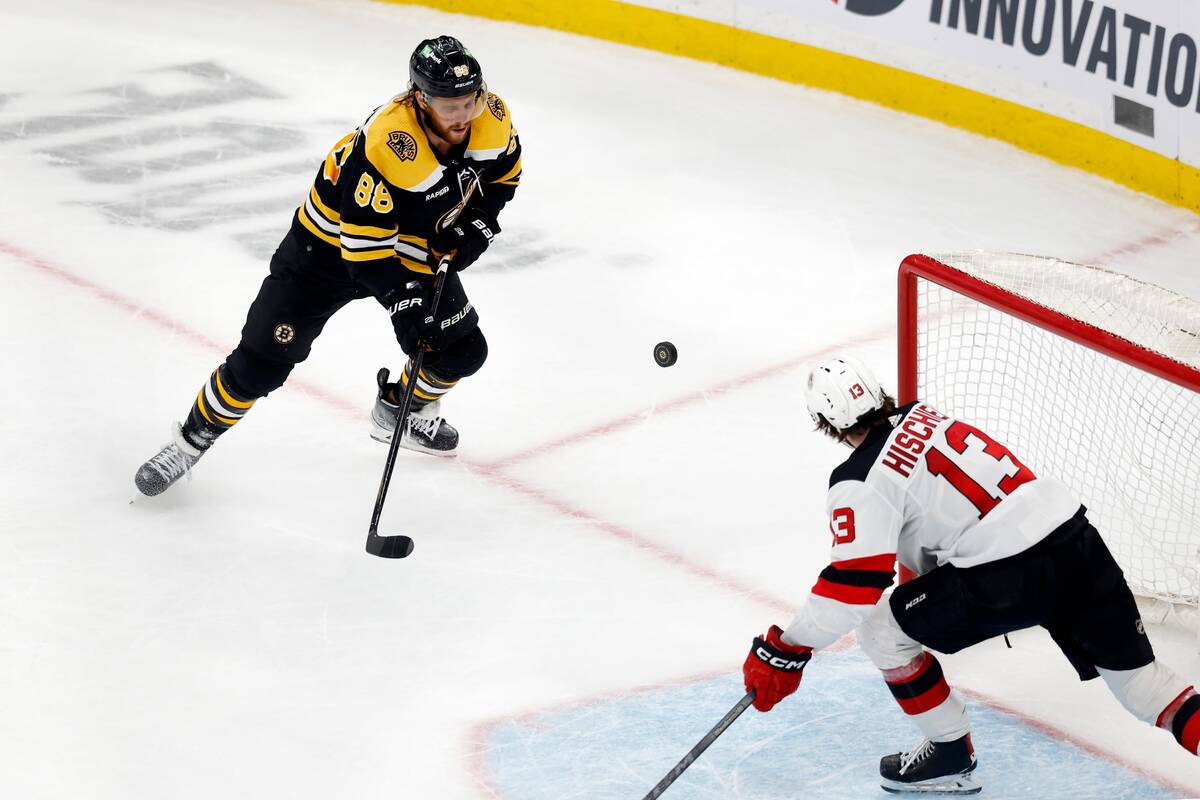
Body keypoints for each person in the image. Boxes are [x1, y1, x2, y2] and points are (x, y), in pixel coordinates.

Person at [741, 355, 1200, 795]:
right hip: (1072, 537)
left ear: (825, 423)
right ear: (878, 393)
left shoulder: (858, 479)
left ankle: (950, 755)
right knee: (1144, 686)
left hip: (1006, 575)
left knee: (881, 628)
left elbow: (854, 588)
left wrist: (787, 648)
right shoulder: (927, 418)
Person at [134, 35, 522, 497]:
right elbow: (362, 250)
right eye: (448, 104)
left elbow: (503, 174)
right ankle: (189, 442)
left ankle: (403, 407)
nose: (463, 115)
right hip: (326, 252)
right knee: (260, 365)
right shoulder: (387, 145)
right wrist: (404, 300)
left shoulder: (491, 116)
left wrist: (478, 222)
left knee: (461, 350)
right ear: (421, 98)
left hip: (408, 244)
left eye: (469, 100)